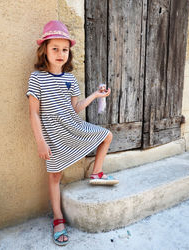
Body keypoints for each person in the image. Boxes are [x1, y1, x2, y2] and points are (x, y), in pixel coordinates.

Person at [26, 20, 119, 246]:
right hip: (53, 136)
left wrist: (96, 96)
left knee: (106, 135)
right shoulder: (36, 78)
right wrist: (40, 141)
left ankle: (96, 173)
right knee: (55, 176)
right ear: (44, 51)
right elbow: (34, 114)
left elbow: (75, 109)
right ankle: (58, 219)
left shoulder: (70, 79)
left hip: (73, 126)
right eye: (54, 48)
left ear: (69, 53)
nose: (60, 53)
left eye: (64, 49)